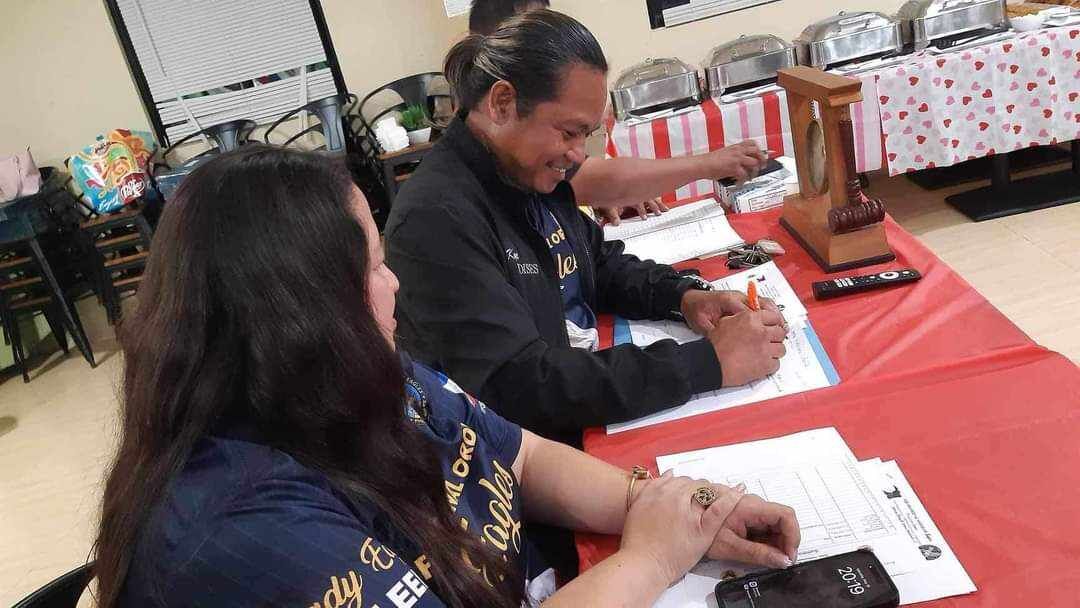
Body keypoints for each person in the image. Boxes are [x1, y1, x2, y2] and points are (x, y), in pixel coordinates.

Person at [91, 146, 800, 608]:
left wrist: (681, 508)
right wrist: (650, 560)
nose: (393, 282)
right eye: (369, 267)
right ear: (301, 310)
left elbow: (516, 453)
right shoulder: (246, 530)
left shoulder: (339, 369)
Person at [386, 10, 787, 447]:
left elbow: (595, 262)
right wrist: (704, 363)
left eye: (587, 135)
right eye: (569, 132)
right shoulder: (436, 219)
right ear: (502, 104)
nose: (578, 155)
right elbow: (522, 385)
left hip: (584, 395)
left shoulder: (526, 170)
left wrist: (684, 297)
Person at [467, 0, 769, 226]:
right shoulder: (456, 203)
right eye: (569, 132)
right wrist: (709, 164)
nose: (575, 153)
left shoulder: (527, 160)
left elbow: (588, 184)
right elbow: (596, 179)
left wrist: (588, 205)